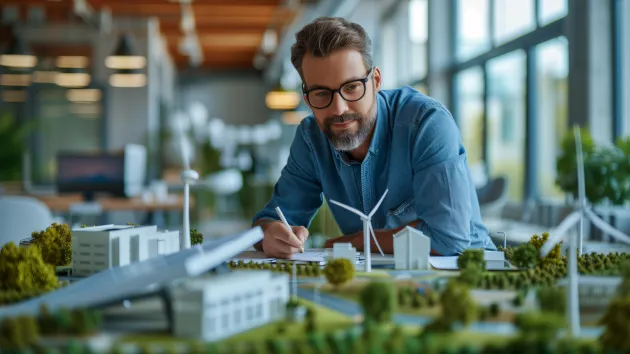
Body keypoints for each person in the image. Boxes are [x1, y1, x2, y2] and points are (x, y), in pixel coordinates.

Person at [251, 17, 497, 259]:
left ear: (376, 81)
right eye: (321, 93)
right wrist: (270, 233)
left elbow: (449, 238)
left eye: (351, 87)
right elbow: (273, 219)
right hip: (374, 277)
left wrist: (358, 240)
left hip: (465, 273)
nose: (338, 109)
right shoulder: (310, 138)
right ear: (307, 99)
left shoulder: (426, 123)